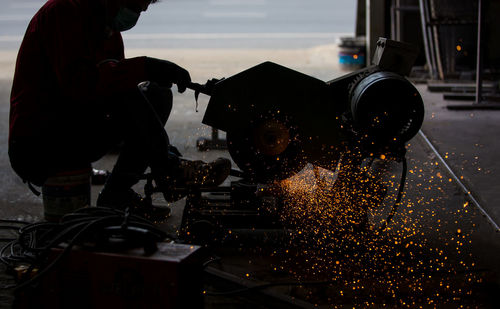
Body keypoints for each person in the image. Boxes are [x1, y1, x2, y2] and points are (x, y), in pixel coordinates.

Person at [8, 0, 231, 215]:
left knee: (157, 94)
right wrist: (146, 66)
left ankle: (118, 195)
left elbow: (124, 109)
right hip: (37, 145)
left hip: (72, 130)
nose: (135, 15)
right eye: (133, 7)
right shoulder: (62, 12)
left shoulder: (108, 30)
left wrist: (157, 145)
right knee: (122, 87)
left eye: (140, 10)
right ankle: (171, 171)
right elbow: (82, 86)